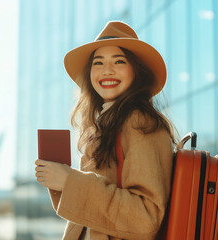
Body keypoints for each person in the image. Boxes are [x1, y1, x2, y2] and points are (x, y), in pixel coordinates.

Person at [35, 21, 177, 240]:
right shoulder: (105, 125)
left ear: (136, 71)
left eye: (119, 61)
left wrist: (69, 181)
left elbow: (145, 217)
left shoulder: (141, 123)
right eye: (98, 62)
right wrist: (60, 182)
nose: (107, 70)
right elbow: (96, 213)